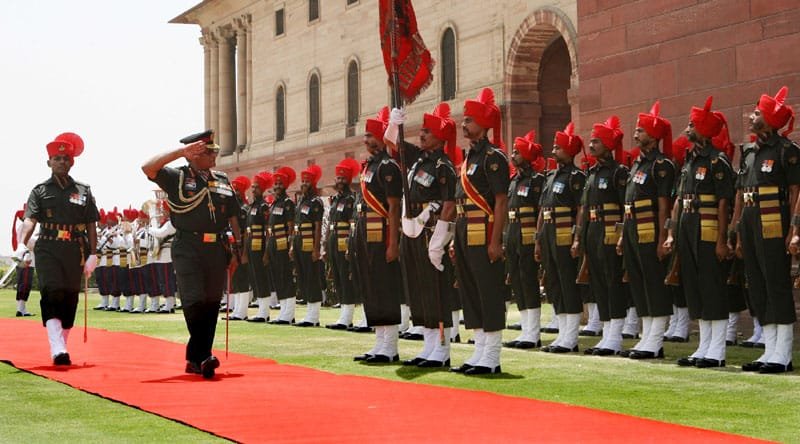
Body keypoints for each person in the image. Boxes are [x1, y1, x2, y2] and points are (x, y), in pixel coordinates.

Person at [141, 130, 243, 379]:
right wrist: (179, 153)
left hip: (216, 248)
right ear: (194, 154)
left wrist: (239, 250)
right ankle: (203, 355)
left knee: (211, 302)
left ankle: (197, 358)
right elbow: (147, 167)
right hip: (188, 246)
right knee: (194, 299)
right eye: (209, 151)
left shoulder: (221, 179)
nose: (214, 155)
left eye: (213, 150)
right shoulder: (177, 176)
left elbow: (233, 216)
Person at [385, 102, 460, 368]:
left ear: (440, 137)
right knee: (417, 288)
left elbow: (449, 204)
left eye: (428, 131)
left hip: (430, 231)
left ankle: (442, 348)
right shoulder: (417, 159)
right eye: (422, 130)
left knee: (435, 291)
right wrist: (394, 123)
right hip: (412, 228)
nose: (422, 134)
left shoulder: (443, 166)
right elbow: (391, 144)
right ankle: (428, 346)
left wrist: (439, 241)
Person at [15, 132, 99, 365]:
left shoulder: (84, 190)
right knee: (52, 291)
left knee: (70, 297)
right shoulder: (40, 190)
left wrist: (93, 253)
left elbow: (92, 223)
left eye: (66, 159)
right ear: (49, 162)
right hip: (48, 247)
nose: (62, 162)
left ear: (72, 162)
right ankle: (57, 348)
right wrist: (22, 243)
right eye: (57, 158)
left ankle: (61, 344)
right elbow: (30, 219)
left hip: (75, 248)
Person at [664, 97, 735, 369]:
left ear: (704, 129)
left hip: (707, 228)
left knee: (712, 286)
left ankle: (717, 350)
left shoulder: (717, 161)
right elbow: (680, 199)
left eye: (692, 124)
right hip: (687, 228)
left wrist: (721, 239)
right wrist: (673, 233)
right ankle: (704, 345)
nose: (687, 128)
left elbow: (723, 202)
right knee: (694, 287)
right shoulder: (690, 160)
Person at [738, 86, 798, 374]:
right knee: (758, 284)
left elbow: (796, 192)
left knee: (776, 282)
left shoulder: (787, 151)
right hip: (750, 221)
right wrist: (737, 230)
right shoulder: (749, 152)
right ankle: (769, 349)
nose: (752, 115)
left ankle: (783, 353)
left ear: (771, 119)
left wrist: (794, 229)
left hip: (774, 220)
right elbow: (741, 192)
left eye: (758, 112)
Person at [449, 88, 510, 375]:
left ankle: (493, 355)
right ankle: (478, 351)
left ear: (484, 126)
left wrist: (496, 240)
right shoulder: (468, 159)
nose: (464, 124)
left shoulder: (492, 157)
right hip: (464, 230)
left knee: (488, 289)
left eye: (469, 120)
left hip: (483, 231)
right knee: (470, 290)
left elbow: (500, 201)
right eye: (463, 120)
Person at [620, 102, 676, 359]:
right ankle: (646, 335)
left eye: (641, 130)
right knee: (639, 282)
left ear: (653, 136)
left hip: (650, 228)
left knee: (653, 282)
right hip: (632, 228)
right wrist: (623, 234)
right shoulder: (637, 164)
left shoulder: (661, 164)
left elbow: (664, 204)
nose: (636, 133)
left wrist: (663, 236)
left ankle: (655, 339)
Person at [573, 116, 629, 356]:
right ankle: (606, 334)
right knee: (598, 284)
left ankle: (615, 337)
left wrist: (620, 236)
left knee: (612, 282)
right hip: (593, 232)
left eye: (596, 141)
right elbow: (584, 209)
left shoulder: (618, 172)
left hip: (609, 233)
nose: (591, 145)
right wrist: (579, 238)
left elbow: (624, 207)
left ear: (607, 144)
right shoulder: (592, 173)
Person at [351, 106, 403, 364]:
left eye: (370, 135)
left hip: (381, 235)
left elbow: (394, 207)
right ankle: (380, 342)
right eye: (365, 136)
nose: (366, 140)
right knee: (371, 287)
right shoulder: (369, 166)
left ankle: (390, 346)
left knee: (385, 287)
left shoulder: (388, 166)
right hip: (365, 235)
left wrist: (393, 242)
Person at [536, 122, 586, 354]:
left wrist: (576, 238)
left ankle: (571, 336)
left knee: (567, 282)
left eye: (558, 147)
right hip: (547, 233)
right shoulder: (550, 176)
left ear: (569, 151)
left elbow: (580, 209)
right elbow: (541, 210)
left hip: (565, 232)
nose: (553, 151)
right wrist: (538, 239)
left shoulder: (576, 177)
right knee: (553, 283)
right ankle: (562, 333)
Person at [503, 131, 545, 350]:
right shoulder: (512, 181)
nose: (513, 154)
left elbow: (541, 211)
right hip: (512, 234)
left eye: (517, 151)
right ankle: (526, 330)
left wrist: (538, 239)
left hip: (528, 235)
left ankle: (533, 333)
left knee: (528, 280)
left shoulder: (537, 180)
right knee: (517, 282)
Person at [325, 158, 362, 330]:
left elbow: (352, 223)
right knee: (337, 277)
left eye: (343, 179)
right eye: (338, 178)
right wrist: (325, 246)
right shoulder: (335, 200)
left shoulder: (350, 199)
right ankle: (343, 313)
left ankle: (347, 316)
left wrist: (349, 245)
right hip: (333, 241)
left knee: (345, 276)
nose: (340, 181)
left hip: (343, 240)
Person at [293, 165, 325, 327]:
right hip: (298, 241)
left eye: (307, 182)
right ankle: (308, 312)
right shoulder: (300, 202)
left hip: (309, 242)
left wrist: (316, 248)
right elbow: (296, 225)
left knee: (312, 277)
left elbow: (318, 225)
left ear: (313, 184)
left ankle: (314, 316)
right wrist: (292, 245)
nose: (303, 184)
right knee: (303, 276)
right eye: (303, 181)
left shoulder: (315, 202)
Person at [267, 166, 298, 325]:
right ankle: (283, 312)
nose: (277, 186)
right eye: (276, 183)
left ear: (285, 185)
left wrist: (291, 246)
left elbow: (291, 227)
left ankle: (289, 313)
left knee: (285, 277)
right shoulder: (274, 203)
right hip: (273, 243)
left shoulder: (287, 203)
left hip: (283, 244)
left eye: (280, 183)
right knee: (277, 277)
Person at [246, 171, 275, 323]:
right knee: (255, 277)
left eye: (256, 187)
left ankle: (264, 312)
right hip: (251, 246)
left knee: (262, 278)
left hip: (261, 246)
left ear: (262, 189)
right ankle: (261, 309)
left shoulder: (264, 206)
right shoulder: (252, 206)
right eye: (252, 187)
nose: (253, 190)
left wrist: (266, 252)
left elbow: (268, 230)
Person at [224, 176, 252, 320]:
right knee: (235, 278)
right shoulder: (232, 209)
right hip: (233, 245)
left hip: (241, 245)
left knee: (242, 277)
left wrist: (244, 250)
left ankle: (242, 311)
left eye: (236, 190)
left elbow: (247, 232)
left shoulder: (244, 209)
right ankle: (237, 310)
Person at [12, 205, 37, 317]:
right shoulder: (24, 227)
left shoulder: (21, 227)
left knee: (23, 283)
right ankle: (21, 309)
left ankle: (21, 308)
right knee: (25, 283)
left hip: (24, 259)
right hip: (27, 260)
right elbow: (30, 243)